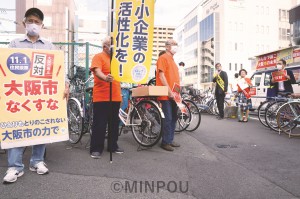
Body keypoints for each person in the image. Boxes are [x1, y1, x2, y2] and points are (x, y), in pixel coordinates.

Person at [3, 8, 70, 184]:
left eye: (37, 22)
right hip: (20, 94)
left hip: (40, 94)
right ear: (25, 23)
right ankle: (15, 167)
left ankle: (37, 161)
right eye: (30, 21)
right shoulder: (15, 44)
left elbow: (59, 69)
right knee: (17, 128)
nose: (34, 24)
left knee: (41, 126)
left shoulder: (48, 46)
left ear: (42, 25)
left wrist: (65, 84)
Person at [89, 36, 123, 159]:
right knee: (100, 123)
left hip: (115, 95)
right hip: (102, 96)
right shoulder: (99, 57)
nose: (114, 47)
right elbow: (97, 71)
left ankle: (113, 145)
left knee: (114, 123)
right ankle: (96, 148)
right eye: (111, 45)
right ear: (105, 46)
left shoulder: (117, 59)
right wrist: (105, 78)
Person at [156, 39, 180, 151]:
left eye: (176, 44)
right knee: (168, 117)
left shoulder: (172, 60)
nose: (176, 46)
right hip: (166, 94)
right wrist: (169, 91)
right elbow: (161, 75)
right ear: (167, 47)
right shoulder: (163, 58)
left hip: (174, 94)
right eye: (173, 44)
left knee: (174, 117)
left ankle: (169, 139)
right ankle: (165, 142)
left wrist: (176, 93)